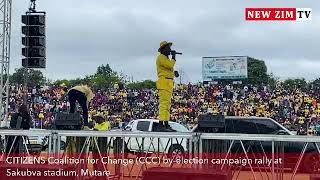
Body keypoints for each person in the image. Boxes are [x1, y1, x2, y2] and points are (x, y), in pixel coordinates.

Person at [156, 41, 179, 131]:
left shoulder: (165, 58)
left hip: (168, 82)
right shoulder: (161, 57)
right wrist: (174, 57)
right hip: (164, 82)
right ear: (163, 49)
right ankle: (161, 124)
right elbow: (169, 65)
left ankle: (166, 124)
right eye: (168, 48)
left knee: (167, 105)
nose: (170, 50)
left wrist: (174, 73)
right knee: (164, 104)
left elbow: (168, 69)